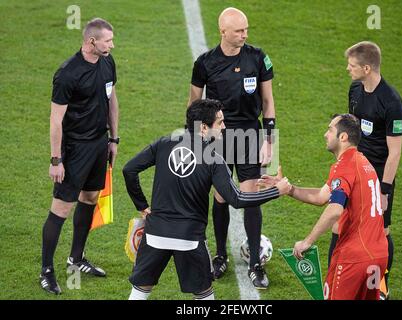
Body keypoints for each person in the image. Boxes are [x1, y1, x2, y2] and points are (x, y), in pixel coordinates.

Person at [122, 99, 290, 300]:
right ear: (203, 127)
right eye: (220, 123)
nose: (224, 127)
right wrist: (276, 191)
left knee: (141, 290)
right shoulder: (214, 158)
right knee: (203, 295)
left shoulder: (164, 144)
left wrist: (142, 206)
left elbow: (129, 170)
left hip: (155, 234)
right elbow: (236, 199)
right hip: (189, 240)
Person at [188, 7, 276, 289]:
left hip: (251, 133)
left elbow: (268, 101)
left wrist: (270, 139)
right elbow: (194, 104)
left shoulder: (258, 57)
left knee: (251, 195)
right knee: (221, 197)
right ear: (223, 32)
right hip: (218, 136)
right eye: (239, 31)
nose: (244, 34)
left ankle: (255, 265)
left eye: (246, 29)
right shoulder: (204, 62)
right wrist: (195, 140)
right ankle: (220, 255)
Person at [259, 114, 388, 300]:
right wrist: (289, 189)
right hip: (378, 255)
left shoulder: (344, 166)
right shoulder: (363, 163)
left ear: (343, 137)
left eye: (330, 130)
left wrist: (307, 241)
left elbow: (335, 209)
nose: (325, 134)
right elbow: (322, 196)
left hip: (354, 257)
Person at [40, 18, 119, 295]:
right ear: (91, 42)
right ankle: (46, 271)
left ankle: (76, 258)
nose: (112, 44)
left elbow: (112, 99)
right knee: (61, 208)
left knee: (90, 198)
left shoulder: (108, 63)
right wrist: (55, 160)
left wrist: (113, 138)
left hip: (99, 144)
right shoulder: (68, 73)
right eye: (108, 40)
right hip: (74, 149)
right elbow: (55, 119)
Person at [328, 41, 402, 299]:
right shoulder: (355, 89)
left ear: (367, 68)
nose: (348, 69)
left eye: (352, 66)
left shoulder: (392, 103)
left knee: (381, 231)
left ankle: (381, 286)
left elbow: (394, 152)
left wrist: (384, 190)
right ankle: (333, 278)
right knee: (340, 223)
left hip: (378, 176)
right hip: (354, 169)